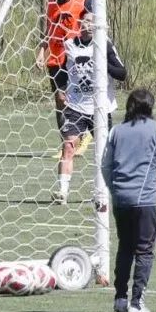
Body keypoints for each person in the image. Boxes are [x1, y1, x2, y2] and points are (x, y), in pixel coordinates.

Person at [102, 88, 156, 312]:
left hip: (121, 200)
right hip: (144, 200)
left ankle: (120, 299)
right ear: (150, 107)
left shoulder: (116, 131)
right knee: (145, 250)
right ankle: (137, 303)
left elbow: (105, 166)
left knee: (125, 248)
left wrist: (115, 189)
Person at [51, 12, 127, 205]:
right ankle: (62, 192)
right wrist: (60, 89)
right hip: (75, 106)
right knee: (68, 145)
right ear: (79, 24)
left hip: (100, 107)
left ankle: (101, 191)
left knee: (104, 152)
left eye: (93, 22)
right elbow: (60, 71)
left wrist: (102, 61)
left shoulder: (105, 44)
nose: (88, 25)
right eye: (85, 21)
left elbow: (122, 73)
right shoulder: (69, 45)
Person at [35, 0, 95, 157]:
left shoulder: (85, 0)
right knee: (60, 101)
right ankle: (67, 146)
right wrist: (41, 52)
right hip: (56, 57)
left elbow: (92, 25)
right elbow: (49, 31)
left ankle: (83, 135)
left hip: (76, 58)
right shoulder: (52, 3)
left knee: (75, 98)